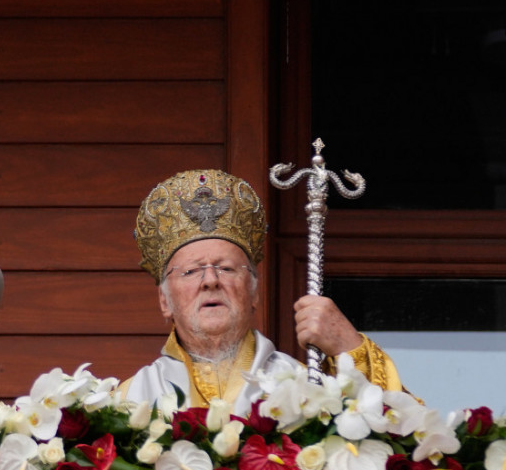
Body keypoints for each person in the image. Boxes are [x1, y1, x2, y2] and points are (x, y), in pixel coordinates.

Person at [123, 168, 404, 410]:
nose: (210, 280)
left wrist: (349, 349)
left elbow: (401, 440)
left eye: (227, 268)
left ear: (254, 292)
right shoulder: (127, 402)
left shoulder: (308, 389)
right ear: (164, 300)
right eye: (191, 271)